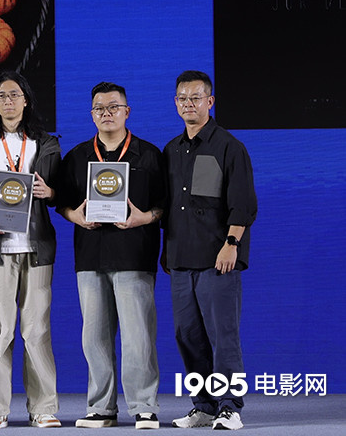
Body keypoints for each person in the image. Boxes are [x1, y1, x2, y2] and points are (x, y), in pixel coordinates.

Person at [56, 82, 164, 430]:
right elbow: (62, 203)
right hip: (90, 256)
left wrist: (145, 218)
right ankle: (101, 407)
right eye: (99, 108)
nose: (107, 113)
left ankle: (143, 406)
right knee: (94, 338)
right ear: (92, 115)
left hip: (135, 255)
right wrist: (74, 216)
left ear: (127, 112)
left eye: (113, 107)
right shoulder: (77, 156)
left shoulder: (149, 155)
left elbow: (164, 205)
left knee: (138, 336)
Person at [162, 70, 257, 431]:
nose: (189, 104)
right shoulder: (171, 150)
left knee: (222, 336)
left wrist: (231, 243)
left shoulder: (229, 147)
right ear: (176, 103)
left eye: (196, 98)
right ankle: (203, 406)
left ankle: (230, 407)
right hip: (180, 259)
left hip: (218, 259)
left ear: (210, 101)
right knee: (187, 336)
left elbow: (243, 203)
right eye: (182, 98)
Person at [0, 71, 62, 429]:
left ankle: (43, 407)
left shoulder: (46, 143)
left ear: (26, 100)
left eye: (14, 95)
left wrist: (50, 193)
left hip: (36, 247)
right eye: (1, 96)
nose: (8, 101)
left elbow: (63, 191)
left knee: (36, 330)